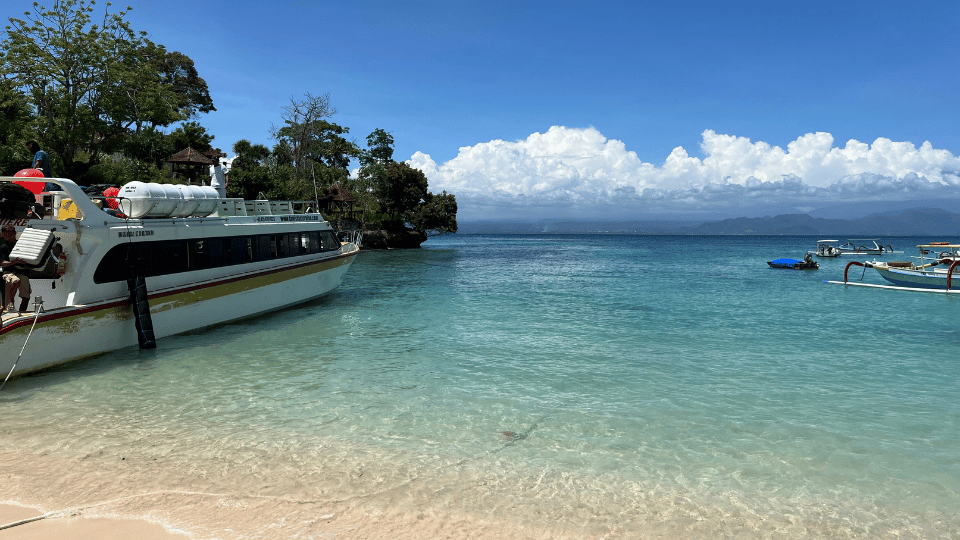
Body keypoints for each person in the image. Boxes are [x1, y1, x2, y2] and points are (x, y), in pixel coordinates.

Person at [0, 225, 31, 313]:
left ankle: (22, 312)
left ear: (15, 233)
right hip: (9, 272)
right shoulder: (3, 247)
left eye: (10, 233)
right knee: (15, 280)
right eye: (6, 233)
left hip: (22, 272)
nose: (8, 235)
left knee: (26, 296)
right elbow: (2, 263)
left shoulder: (21, 245)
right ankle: (10, 304)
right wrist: (15, 262)